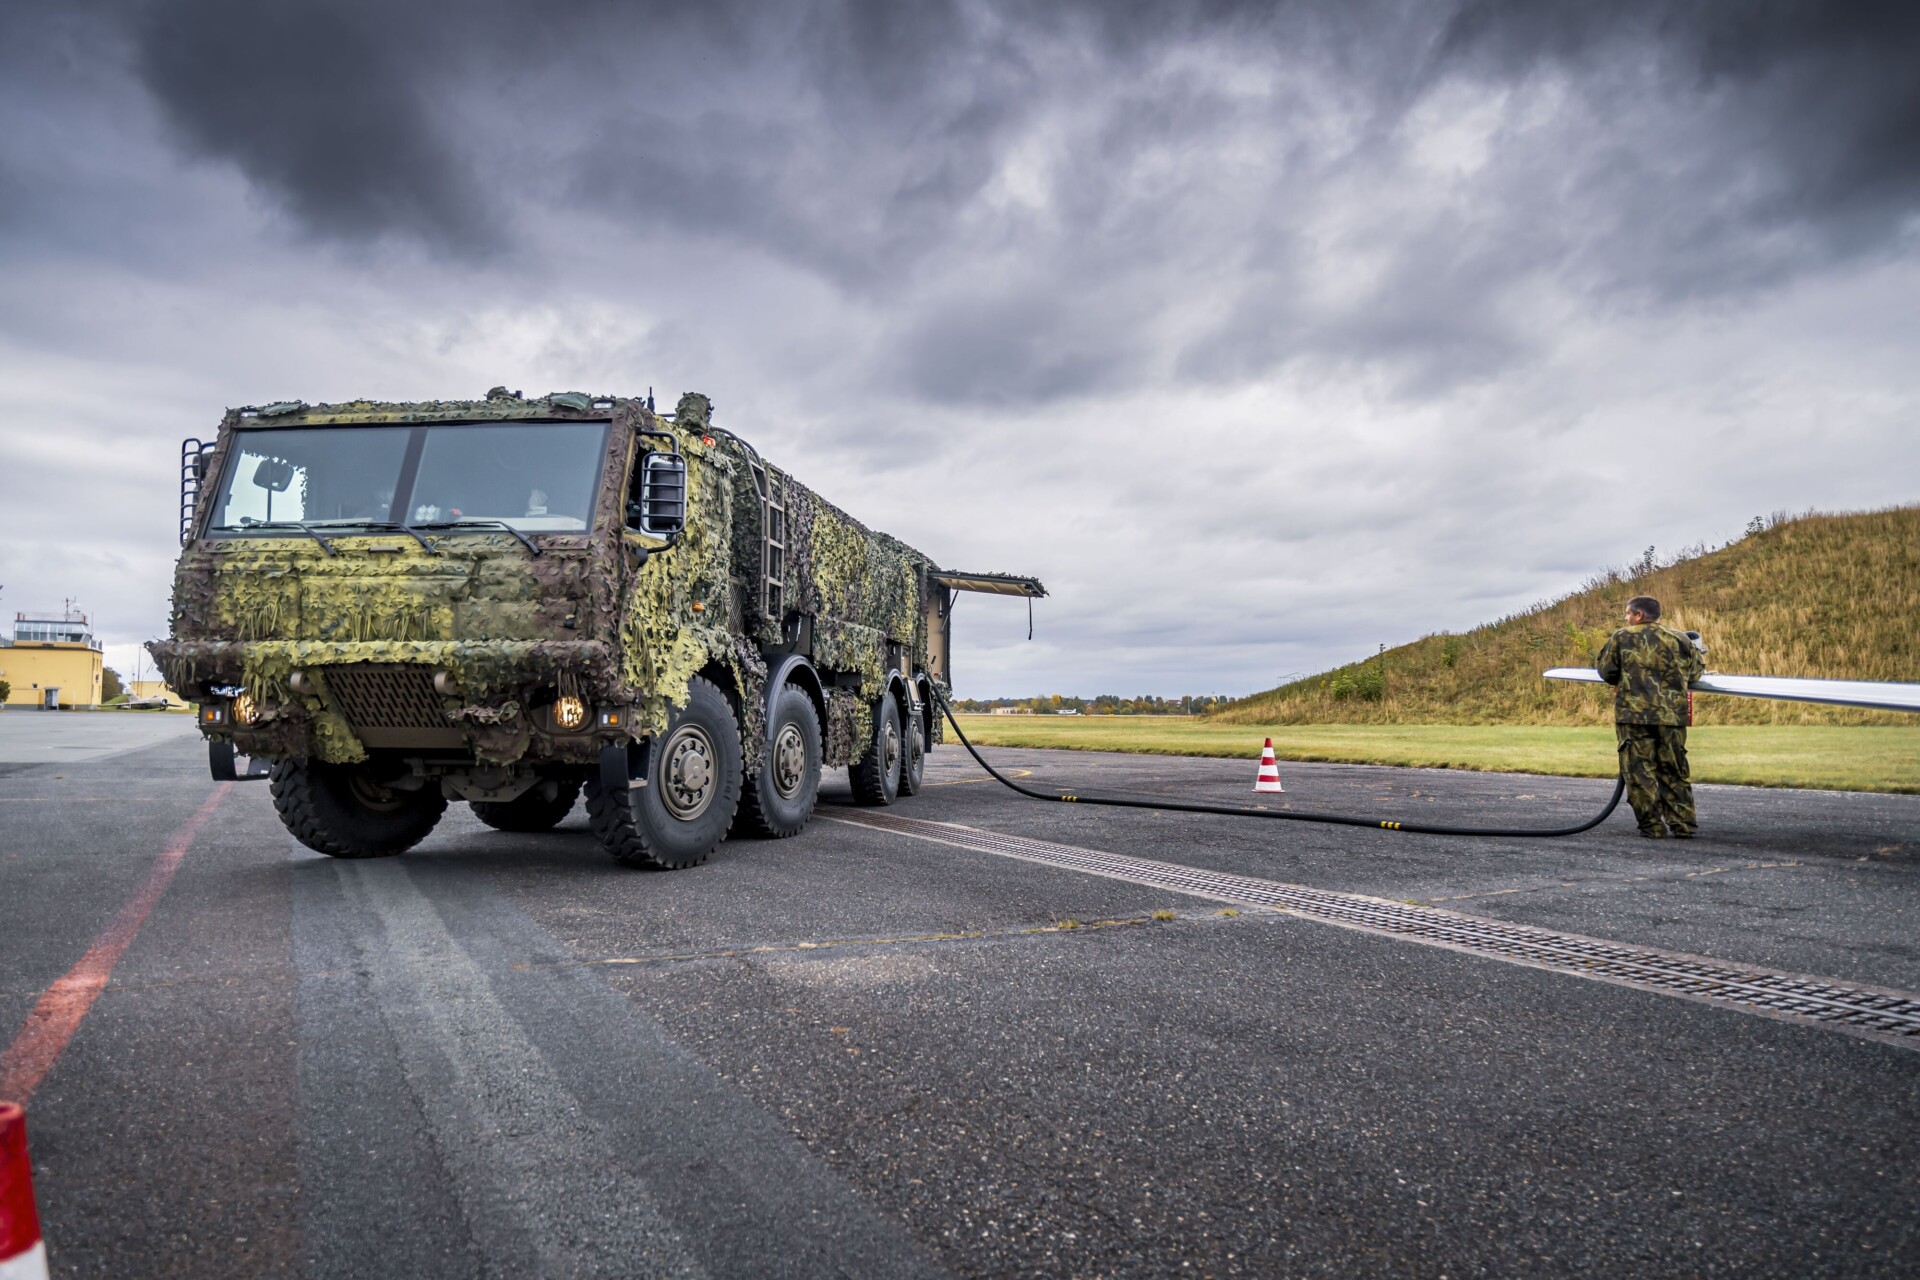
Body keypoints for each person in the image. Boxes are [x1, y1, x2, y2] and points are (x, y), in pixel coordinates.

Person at [1596, 595, 1706, 838]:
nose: (1626, 617)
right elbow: (1695, 673)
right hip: (1671, 717)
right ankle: (1683, 826)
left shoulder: (1621, 637)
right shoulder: (1680, 638)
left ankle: (1652, 826)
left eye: (1628, 613)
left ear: (1639, 615)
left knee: (1639, 772)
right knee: (1674, 770)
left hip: (1634, 717)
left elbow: (1607, 671)